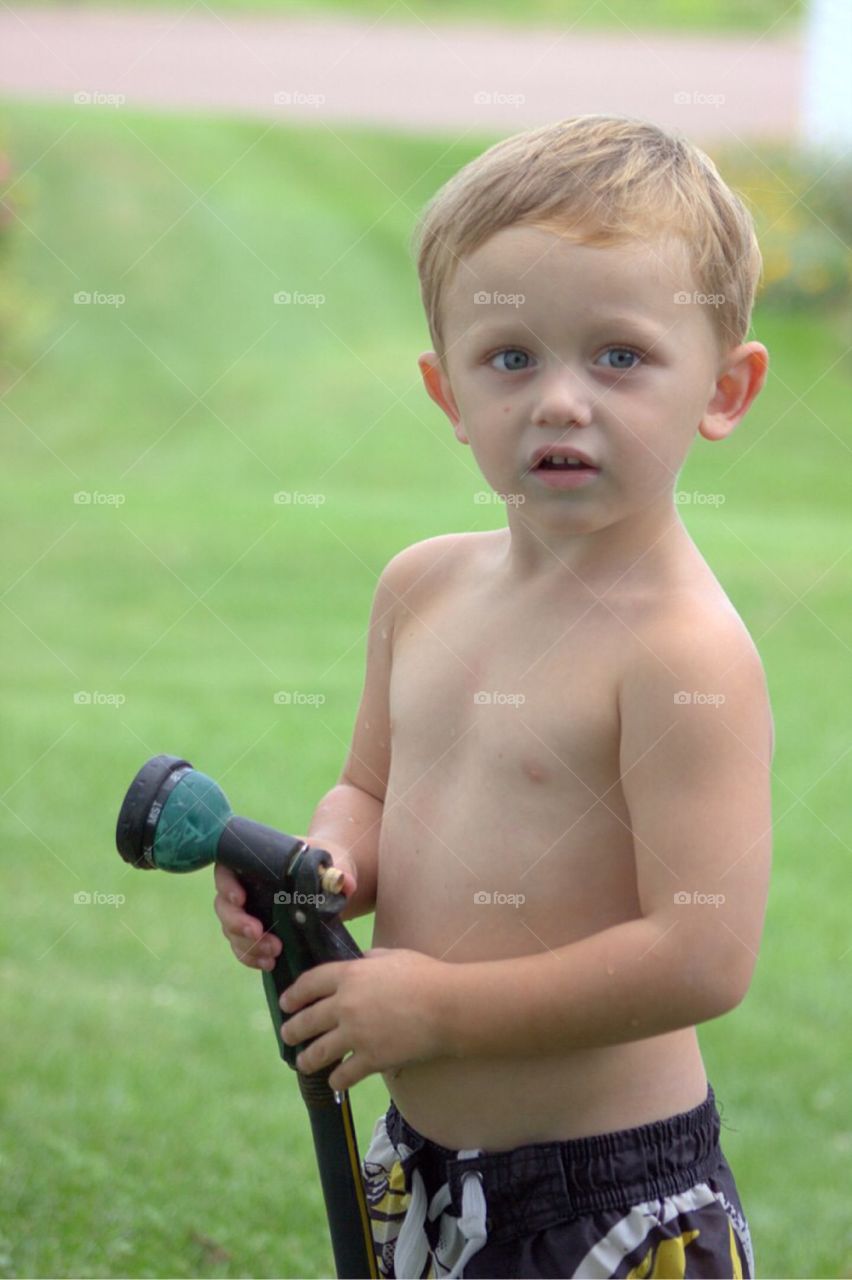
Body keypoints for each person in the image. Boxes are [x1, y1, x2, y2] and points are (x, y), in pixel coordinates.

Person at [214, 114, 773, 1278]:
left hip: (607, 1194)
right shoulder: (419, 588)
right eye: (511, 358)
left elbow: (702, 953)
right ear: (448, 391)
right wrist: (320, 869)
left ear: (724, 389)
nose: (561, 401)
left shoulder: (683, 654)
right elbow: (368, 787)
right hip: (421, 1164)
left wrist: (438, 1009)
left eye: (619, 355)